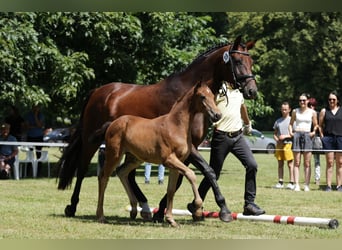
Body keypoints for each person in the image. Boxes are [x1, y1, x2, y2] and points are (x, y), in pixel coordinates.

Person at [188, 81, 265, 217]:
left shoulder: (238, 90)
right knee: (213, 173)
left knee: (252, 165)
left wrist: (247, 124)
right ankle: (196, 204)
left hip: (238, 136)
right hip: (221, 137)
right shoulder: (218, 89)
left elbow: (242, 108)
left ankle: (249, 204)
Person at [289, 93, 318, 191]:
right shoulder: (295, 111)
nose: (302, 102)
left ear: (308, 101)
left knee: (307, 162)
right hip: (297, 134)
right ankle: (296, 184)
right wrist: (291, 132)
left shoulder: (312, 112)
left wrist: (313, 132)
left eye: (304, 100)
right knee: (296, 162)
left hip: (307, 135)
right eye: (300, 100)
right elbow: (290, 124)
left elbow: (316, 125)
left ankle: (306, 185)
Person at [318, 91, 342, 192]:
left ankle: (339, 186)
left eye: (333, 99)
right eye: (330, 99)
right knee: (330, 162)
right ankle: (328, 186)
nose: (331, 101)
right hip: (328, 139)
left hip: (340, 138)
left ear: (337, 100)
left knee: (340, 163)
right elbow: (320, 125)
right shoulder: (324, 111)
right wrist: (323, 137)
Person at [273, 102, 295, 189]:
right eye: (282, 109)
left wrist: (285, 136)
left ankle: (291, 182)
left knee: (290, 164)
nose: (284, 111)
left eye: (286, 109)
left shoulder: (292, 120)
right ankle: (280, 181)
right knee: (280, 164)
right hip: (279, 145)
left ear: (289, 110)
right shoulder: (278, 121)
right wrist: (277, 139)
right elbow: (274, 134)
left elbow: (294, 134)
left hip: (288, 144)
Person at [25, 105, 45, 176]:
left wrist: (36, 116)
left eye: (37, 107)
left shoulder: (41, 115)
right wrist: (35, 126)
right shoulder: (29, 115)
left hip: (39, 137)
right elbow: (27, 126)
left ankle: (38, 172)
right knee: (29, 154)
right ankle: (28, 172)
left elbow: (39, 125)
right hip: (30, 136)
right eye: (34, 107)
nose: (35, 108)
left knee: (39, 154)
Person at [308, 97, 321, 185]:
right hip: (307, 138)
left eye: (313, 105)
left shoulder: (318, 114)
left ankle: (317, 178)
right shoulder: (305, 114)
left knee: (317, 160)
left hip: (316, 138)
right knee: (307, 160)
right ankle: (307, 177)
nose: (311, 107)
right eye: (310, 105)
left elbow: (320, 126)